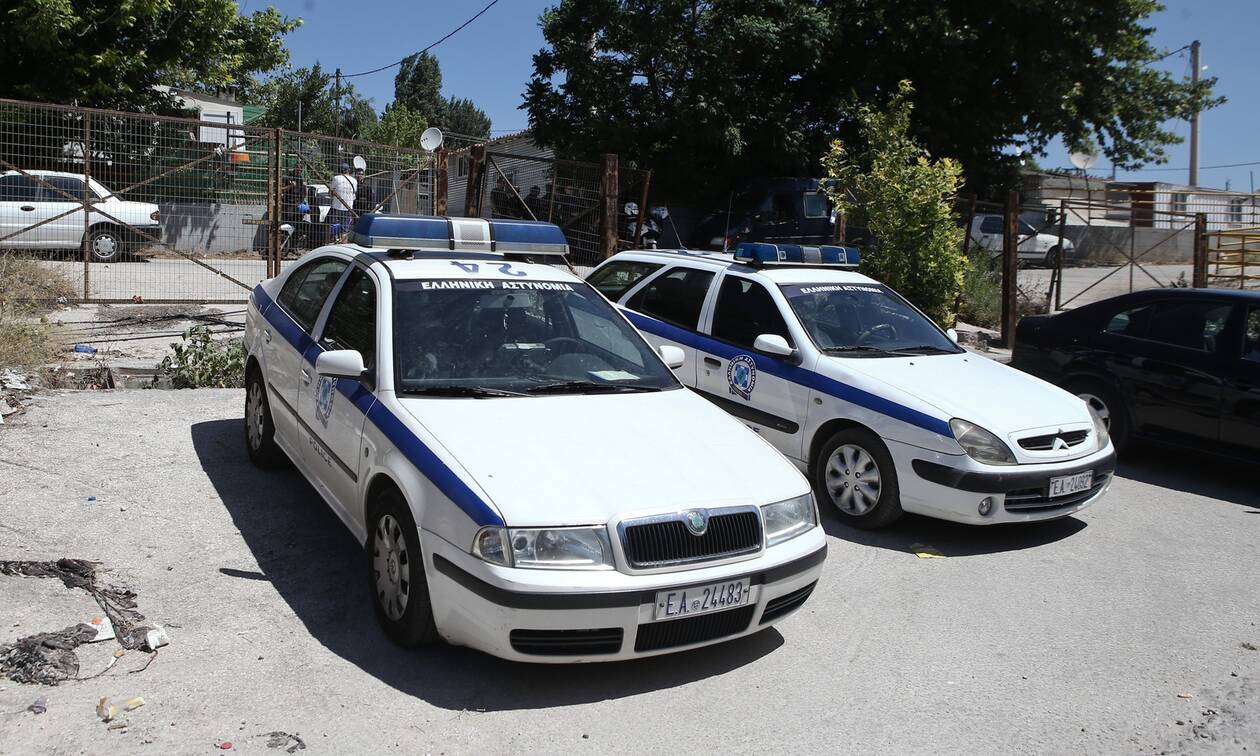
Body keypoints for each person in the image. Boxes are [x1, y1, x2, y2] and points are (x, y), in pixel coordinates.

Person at [327, 163, 357, 238]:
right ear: (348, 170)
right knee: (344, 230)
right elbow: (353, 196)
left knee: (327, 226)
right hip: (348, 208)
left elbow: (330, 193)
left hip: (336, 207)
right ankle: (343, 243)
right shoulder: (354, 180)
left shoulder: (336, 178)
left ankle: (326, 242)